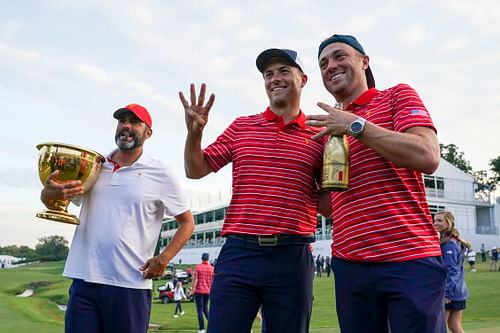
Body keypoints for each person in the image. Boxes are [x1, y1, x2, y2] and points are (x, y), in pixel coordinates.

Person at [180, 48, 330, 332]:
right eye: (268, 74)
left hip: (292, 255)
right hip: (240, 253)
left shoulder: (319, 134)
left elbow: (329, 203)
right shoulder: (242, 127)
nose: (275, 79)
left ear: (304, 79)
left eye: (284, 71)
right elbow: (195, 169)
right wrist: (194, 134)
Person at [306, 34, 446, 333]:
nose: (331, 66)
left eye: (339, 56)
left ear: (364, 61)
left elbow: (428, 155)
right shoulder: (326, 127)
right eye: (323, 63)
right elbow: (330, 206)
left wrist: (356, 126)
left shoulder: (396, 96)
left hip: (410, 257)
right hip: (350, 264)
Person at [40, 104, 195, 333]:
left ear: (148, 132)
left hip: (130, 284)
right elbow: (54, 198)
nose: (126, 126)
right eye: (122, 120)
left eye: (134, 122)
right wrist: (47, 194)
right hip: (84, 281)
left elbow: (187, 222)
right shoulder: (92, 166)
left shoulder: (161, 173)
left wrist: (164, 258)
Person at [434, 211, 470, 333]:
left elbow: (451, 270)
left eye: (440, 221)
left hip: (450, 292)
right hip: (458, 291)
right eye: (435, 220)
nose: (435, 223)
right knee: (454, 326)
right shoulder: (450, 240)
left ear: (448, 223)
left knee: (440, 327)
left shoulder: (449, 244)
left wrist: (448, 293)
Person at [189, 253, 214, 333]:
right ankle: (212, 325)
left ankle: (202, 328)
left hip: (199, 291)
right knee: (206, 308)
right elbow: (213, 280)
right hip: (208, 291)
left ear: (201, 258)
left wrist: (192, 290)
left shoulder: (198, 267)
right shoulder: (211, 268)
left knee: (200, 310)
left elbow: (195, 279)